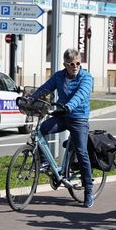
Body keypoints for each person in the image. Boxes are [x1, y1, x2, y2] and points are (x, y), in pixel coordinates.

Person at [30, 48, 94, 208]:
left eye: (78, 63)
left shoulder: (86, 77)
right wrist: (31, 98)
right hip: (62, 116)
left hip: (79, 118)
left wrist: (67, 107)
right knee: (41, 130)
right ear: (65, 64)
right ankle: (45, 162)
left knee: (81, 152)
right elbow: (46, 88)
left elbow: (81, 94)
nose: (75, 66)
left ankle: (88, 190)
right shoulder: (59, 76)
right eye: (71, 63)